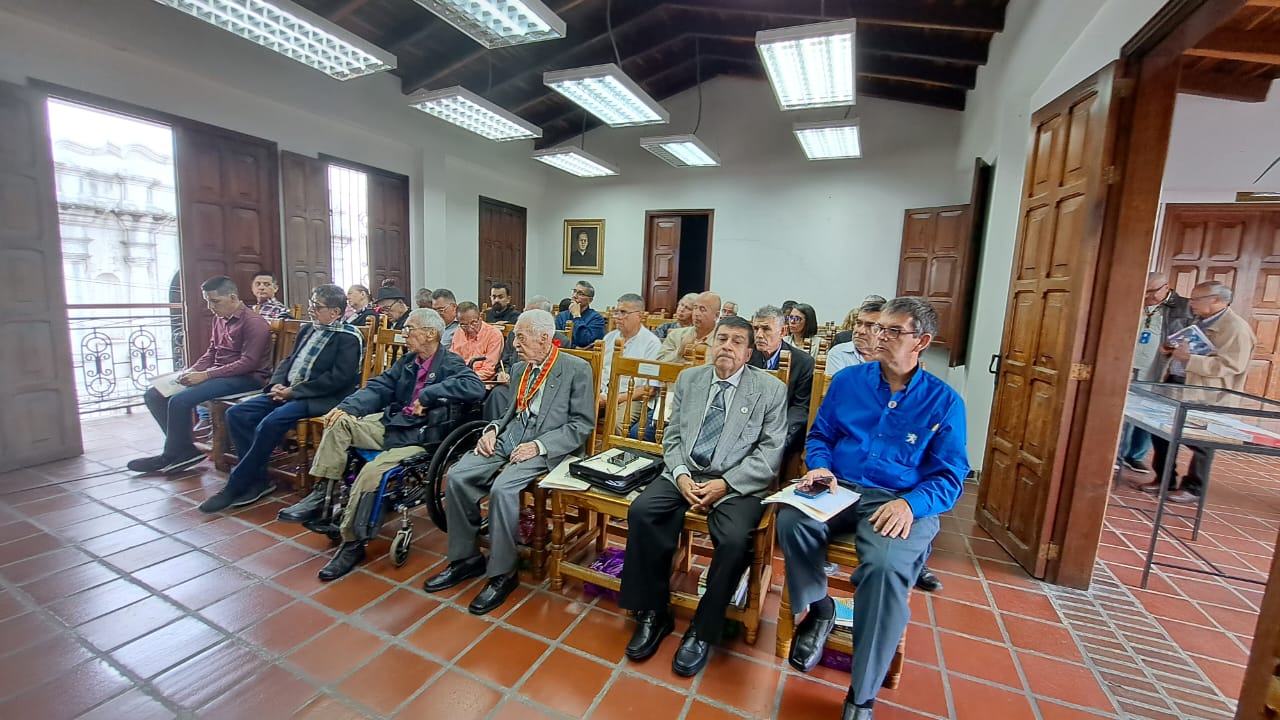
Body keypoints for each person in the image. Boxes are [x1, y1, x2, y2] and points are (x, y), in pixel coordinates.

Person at [778, 297, 968, 720]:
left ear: (922, 341)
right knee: (790, 517)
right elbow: (821, 435)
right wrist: (821, 468)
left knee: (883, 572)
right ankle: (819, 606)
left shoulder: (944, 402)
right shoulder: (849, 383)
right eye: (878, 328)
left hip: (897, 501)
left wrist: (910, 503)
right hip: (839, 486)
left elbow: (950, 476)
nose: (878, 337)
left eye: (893, 331)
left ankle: (861, 695)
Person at [620, 316, 787, 676]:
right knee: (643, 512)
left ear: (749, 352)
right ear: (711, 344)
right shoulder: (689, 379)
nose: (727, 346)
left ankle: (702, 628)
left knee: (732, 539)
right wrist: (679, 473)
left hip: (736, 482)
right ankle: (654, 611)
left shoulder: (770, 390)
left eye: (737, 341)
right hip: (685, 472)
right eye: (721, 338)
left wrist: (725, 484)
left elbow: (770, 452)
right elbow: (672, 434)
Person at [283, 309, 486, 580]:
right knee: (339, 423)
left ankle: (352, 543)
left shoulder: (450, 363)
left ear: (430, 334)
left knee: (371, 474)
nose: (404, 334)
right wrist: (346, 408)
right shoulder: (408, 362)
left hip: (420, 436)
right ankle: (323, 494)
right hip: (393, 424)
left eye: (409, 329)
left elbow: (475, 387)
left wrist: (428, 395)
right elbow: (378, 387)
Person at [423, 309, 594, 615]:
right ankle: (466, 559)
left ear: (544, 338)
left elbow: (581, 425)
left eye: (520, 336)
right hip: (510, 438)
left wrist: (539, 446)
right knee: (458, 476)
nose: (514, 343)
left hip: (548, 448)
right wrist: (491, 430)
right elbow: (510, 413)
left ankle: (502, 574)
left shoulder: (575, 369)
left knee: (503, 489)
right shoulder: (519, 369)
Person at [199, 284, 364, 513]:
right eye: (311, 304)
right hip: (287, 390)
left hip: (320, 397)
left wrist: (294, 392)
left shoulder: (348, 338)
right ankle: (258, 480)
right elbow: (288, 361)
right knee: (237, 414)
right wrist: (276, 384)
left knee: (271, 422)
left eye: (317, 306)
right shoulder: (308, 329)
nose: (311, 310)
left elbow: (338, 380)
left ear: (335, 312)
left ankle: (236, 485)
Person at [129, 277, 271, 474]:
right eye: (208, 301)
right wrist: (193, 370)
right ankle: (183, 449)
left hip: (246, 379)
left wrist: (206, 375)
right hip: (220, 375)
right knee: (154, 395)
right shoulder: (220, 319)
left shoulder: (253, 323)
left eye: (215, 301)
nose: (211, 307)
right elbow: (212, 352)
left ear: (232, 297)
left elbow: (248, 363)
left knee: (180, 400)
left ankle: (173, 455)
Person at [1136, 281, 1256, 503]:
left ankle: (1193, 487)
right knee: (1160, 432)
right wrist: (1169, 351)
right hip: (1177, 384)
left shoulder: (1235, 328)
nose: (1191, 304)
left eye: (1196, 299)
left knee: (1200, 440)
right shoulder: (1198, 320)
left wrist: (1190, 360)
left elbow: (1232, 366)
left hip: (1205, 392)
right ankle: (1164, 479)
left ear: (1217, 300)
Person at [1119, 273, 1193, 473]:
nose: (1147, 296)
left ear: (1166, 287)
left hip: (1160, 366)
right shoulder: (1134, 302)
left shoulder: (1184, 307)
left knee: (1149, 411)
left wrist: (1175, 349)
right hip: (1131, 361)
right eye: (1144, 292)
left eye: (1151, 292)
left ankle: (1135, 455)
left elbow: (1191, 338)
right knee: (1124, 407)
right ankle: (1117, 453)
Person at [485, 297, 570, 420]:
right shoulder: (514, 336)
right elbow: (504, 362)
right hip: (512, 386)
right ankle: (496, 430)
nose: (516, 343)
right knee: (497, 394)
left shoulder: (561, 341)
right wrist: (502, 373)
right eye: (525, 313)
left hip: (541, 390)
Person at [747, 306, 813, 454]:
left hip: (782, 431)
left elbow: (800, 408)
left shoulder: (803, 362)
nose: (758, 335)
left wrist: (776, 436)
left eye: (765, 329)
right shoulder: (747, 355)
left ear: (783, 331)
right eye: (755, 328)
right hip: (747, 428)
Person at [598, 293, 662, 428]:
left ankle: (617, 450)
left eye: (623, 313)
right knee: (577, 414)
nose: (618, 317)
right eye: (616, 312)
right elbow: (599, 371)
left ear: (639, 316)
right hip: (603, 394)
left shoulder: (651, 343)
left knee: (617, 424)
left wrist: (614, 399)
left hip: (632, 399)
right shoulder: (609, 338)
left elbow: (650, 389)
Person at [826, 297, 886, 377]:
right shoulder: (839, 353)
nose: (860, 331)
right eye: (859, 323)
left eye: (870, 325)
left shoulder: (892, 356)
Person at [658, 292, 720, 363]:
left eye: (702, 309)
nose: (696, 313)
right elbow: (658, 365)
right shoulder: (675, 335)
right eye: (695, 308)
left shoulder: (722, 341)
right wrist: (680, 352)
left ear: (716, 315)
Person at [451, 301, 504, 381]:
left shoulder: (494, 335)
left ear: (480, 319)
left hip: (480, 381)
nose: (469, 328)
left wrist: (465, 379)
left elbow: (489, 370)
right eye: (464, 324)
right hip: (458, 378)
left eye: (473, 322)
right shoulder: (458, 333)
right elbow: (452, 361)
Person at [555, 281, 606, 348]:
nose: (574, 296)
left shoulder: (597, 319)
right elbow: (556, 340)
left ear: (590, 300)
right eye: (574, 291)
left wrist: (577, 316)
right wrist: (574, 347)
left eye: (580, 294)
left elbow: (585, 341)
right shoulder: (562, 316)